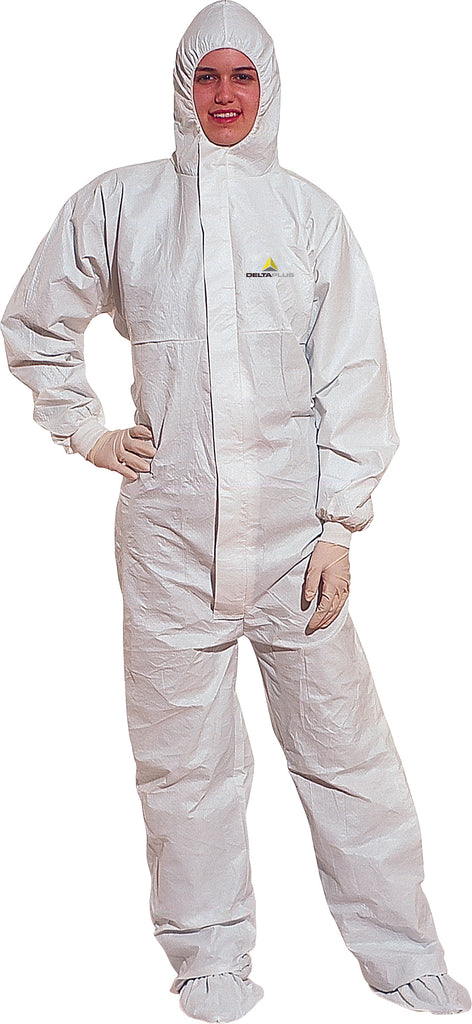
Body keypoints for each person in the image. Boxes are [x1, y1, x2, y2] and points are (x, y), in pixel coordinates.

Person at [1, 1, 470, 1021]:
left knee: (348, 758)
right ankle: (209, 959)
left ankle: (403, 953)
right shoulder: (120, 203)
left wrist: (340, 526)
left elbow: (353, 372)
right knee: (184, 766)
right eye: (206, 75)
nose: (223, 95)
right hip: (169, 542)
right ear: (183, 87)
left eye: (241, 76)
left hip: (295, 548)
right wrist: (84, 430)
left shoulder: (306, 216)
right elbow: (35, 322)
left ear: (269, 88)